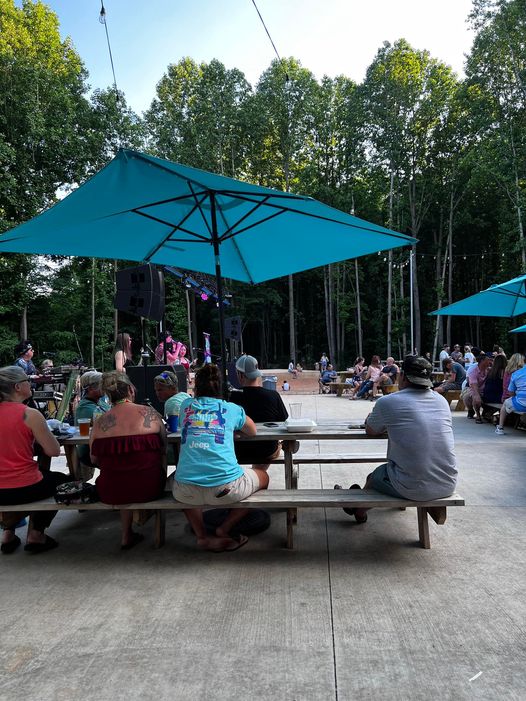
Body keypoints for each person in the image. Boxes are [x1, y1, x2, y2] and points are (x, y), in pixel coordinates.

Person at [337, 355, 457, 523]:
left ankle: (359, 510)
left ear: (403, 377)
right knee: (393, 471)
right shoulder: (441, 402)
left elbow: (371, 430)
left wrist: (372, 418)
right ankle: (359, 506)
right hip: (447, 483)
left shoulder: (389, 402)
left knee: (374, 477)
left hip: (414, 488)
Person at [173, 364, 266, 552]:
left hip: (185, 491)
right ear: (221, 388)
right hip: (226, 488)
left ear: (196, 388)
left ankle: (201, 536)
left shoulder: (185, 406)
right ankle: (225, 528)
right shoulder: (231, 409)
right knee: (264, 478)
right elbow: (252, 430)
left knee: (179, 480)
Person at [89, 371, 166, 549]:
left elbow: (93, 459)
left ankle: (126, 534)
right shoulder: (149, 413)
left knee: (121, 478)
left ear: (108, 395)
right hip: (150, 487)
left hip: (111, 491)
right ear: (131, 390)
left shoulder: (100, 422)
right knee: (136, 475)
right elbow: (163, 449)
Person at [0, 366, 65, 554]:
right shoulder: (30, 414)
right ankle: (36, 534)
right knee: (63, 482)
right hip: (24, 487)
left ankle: (8, 534)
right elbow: (53, 451)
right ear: (17, 387)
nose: (31, 384)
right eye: (27, 381)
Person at [230, 355, 288, 470]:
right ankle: (258, 473)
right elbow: (285, 421)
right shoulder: (273, 395)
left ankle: (254, 476)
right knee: (274, 447)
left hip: (238, 451)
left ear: (241, 375)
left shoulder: (232, 398)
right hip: (267, 450)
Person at [74, 371, 111, 478]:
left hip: (101, 447)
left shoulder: (100, 402)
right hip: (90, 452)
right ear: (90, 389)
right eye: (102, 384)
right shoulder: (85, 407)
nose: (105, 387)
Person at [495, 354, 526, 435]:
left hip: (520, 403)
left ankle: (500, 428)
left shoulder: (515, 374)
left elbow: (510, 392)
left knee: (505, 404)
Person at [461, 352, 494, 423]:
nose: (490, 361)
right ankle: (477, 414)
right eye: (488, 360)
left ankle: (486, 412)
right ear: (482, 361)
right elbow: (474, 386)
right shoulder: (473, 370)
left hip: (484, 389)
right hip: (472, 387)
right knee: (473, 397)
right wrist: (477, 396)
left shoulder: (489, 370)